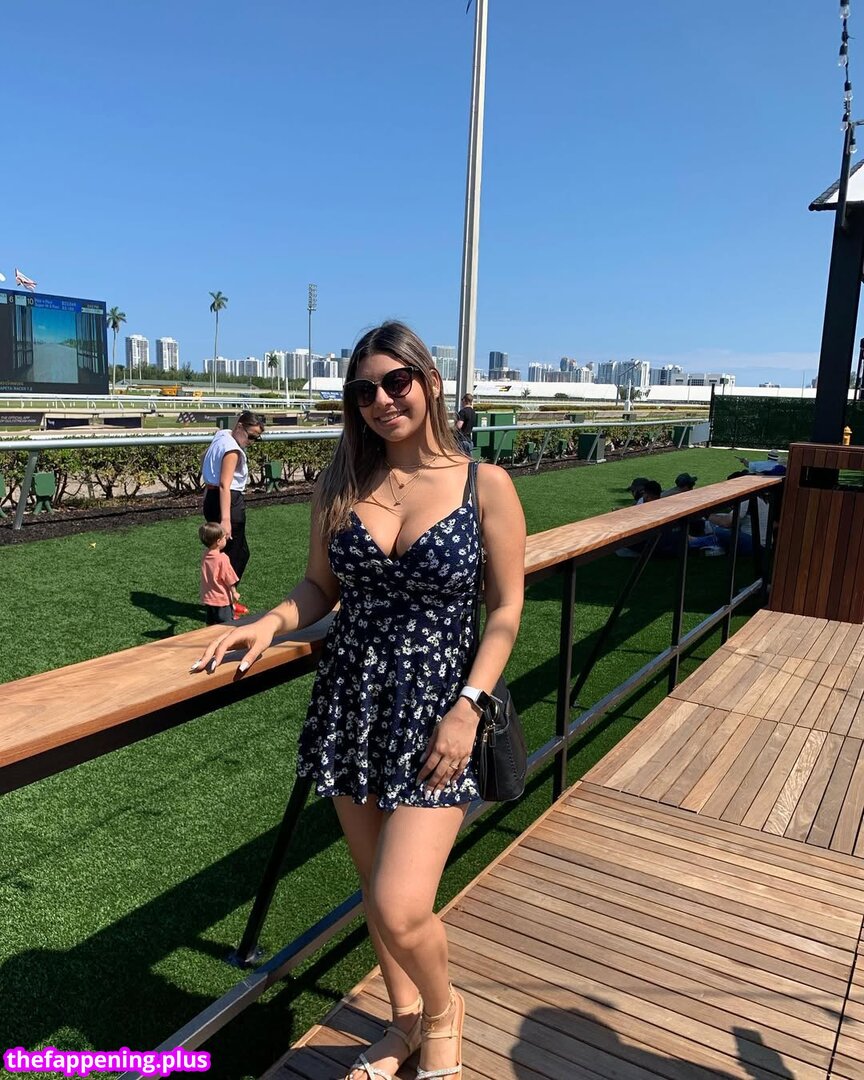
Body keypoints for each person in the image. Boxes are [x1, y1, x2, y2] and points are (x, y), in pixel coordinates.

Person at [192, 321, 526, 1080]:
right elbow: (320, 586)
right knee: (376, 892)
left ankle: (443, 1013)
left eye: (395, 382)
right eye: (364, 390)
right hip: (353, 705)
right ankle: (403, 1023)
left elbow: (506, 609)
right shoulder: (341, 484)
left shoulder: (485, 484)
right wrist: (271, 623)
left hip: (441, 709)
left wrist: (469, 705)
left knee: (403, 902)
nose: (381, 400)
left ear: (429, 382)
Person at [201, 410, 266, 613]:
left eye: (256, 439)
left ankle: (224, 600)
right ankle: (223, 603)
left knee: (229, 554)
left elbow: (205, 460)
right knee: (234, 555)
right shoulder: (232, 450)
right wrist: (226, 519)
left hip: (213, 499)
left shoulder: (222, 435)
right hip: (228, 502)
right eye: (251, 436)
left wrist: (207, 495)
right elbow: (225, 485)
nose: (252, 442)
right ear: (239, 426)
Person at [198, 522, 240, 625]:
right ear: (218, 541)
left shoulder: (205, 554)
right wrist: (234, 592)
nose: (226, 539)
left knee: (211, 623)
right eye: (224, 537)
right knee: (227, 624)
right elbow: (229, 578)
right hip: (221, 600)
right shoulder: (222, 558)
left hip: (208, 598)